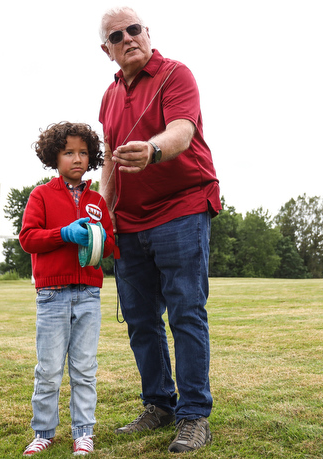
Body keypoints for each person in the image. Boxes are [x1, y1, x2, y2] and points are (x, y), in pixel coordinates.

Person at [97, 7, 221, 454]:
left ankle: (193, 416)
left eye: (134, 29)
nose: (127, 37)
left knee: (186, 313)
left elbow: (182, 132)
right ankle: (159, 405)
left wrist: (151, 149)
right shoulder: (109, 96)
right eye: (117, 35)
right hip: (129, 221)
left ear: (148, 33)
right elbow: (110, 157)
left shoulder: (175, 74)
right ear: (106, 49)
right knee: (139, 320)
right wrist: (103, 210)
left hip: (182, 208)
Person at [19, 122, 115, 456]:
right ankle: (43, 432)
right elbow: (28, 238)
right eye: (68, 152)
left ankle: (83, 433)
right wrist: (64, 234)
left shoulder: (97, 202)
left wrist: (99, 239)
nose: (77, 158)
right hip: (52, 296)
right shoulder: (41, 196)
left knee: (85, 369)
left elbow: (112, 246)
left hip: (88, 294)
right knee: (48, 370)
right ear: (54, 157)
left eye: (83, 152)